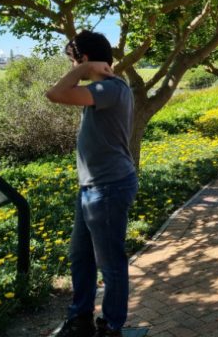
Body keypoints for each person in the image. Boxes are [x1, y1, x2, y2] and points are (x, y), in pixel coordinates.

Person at [46, 30, 137, 337]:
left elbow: (55, 93)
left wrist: (84, 69)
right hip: (92, 188)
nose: (73, 68)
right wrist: (87, 69)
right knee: (80, 256)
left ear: (83, 59)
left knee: (110, 263)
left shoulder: (110, 87)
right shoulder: (100, 89)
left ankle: (111, 326)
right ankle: (80, 316)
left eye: (74, 61)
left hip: (108, 187)